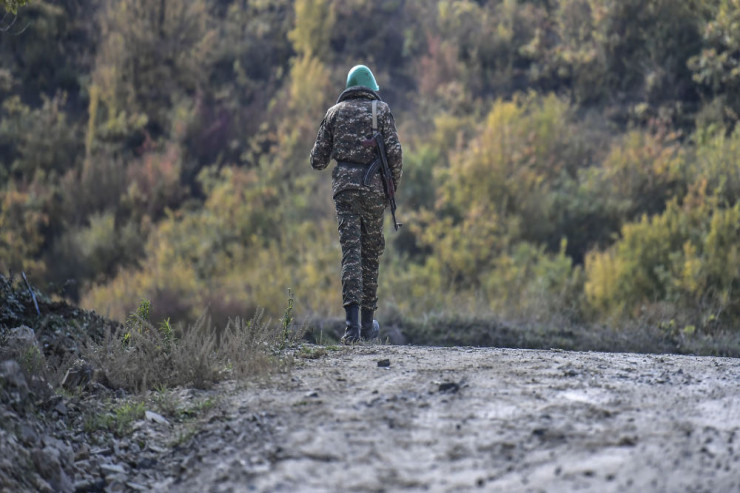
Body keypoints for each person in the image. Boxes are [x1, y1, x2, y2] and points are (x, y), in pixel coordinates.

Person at [310, 64, 403, 343]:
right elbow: (396, 156)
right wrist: (390, 189)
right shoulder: (381, 111)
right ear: (371, 87)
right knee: (371, 254)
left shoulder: (333, 114)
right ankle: (366, 326)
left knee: (351, 253)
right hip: (373, 191)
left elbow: (317, 160)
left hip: (344, 192)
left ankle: (351, 330)